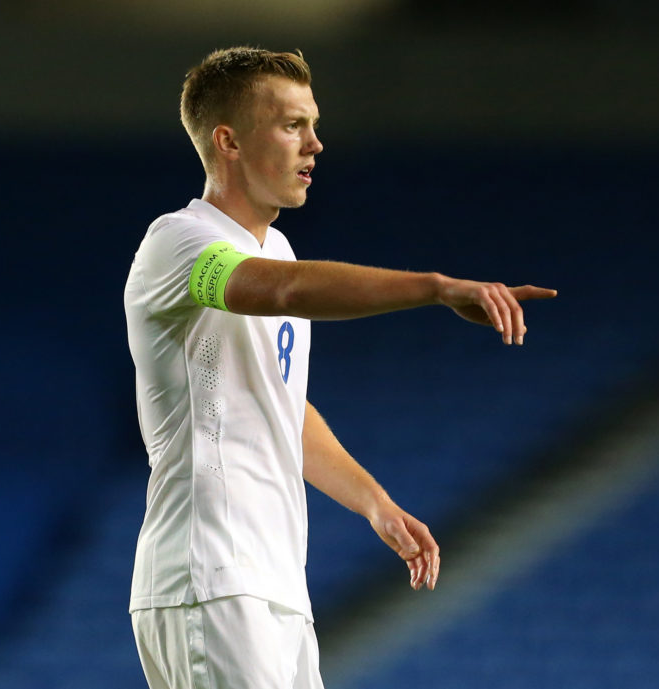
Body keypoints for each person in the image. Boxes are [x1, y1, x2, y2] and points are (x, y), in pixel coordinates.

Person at [124, 46, 556, 689]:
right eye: (292, 125)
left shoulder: (276, 248)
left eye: (314, 124)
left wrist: (373, 503)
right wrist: (436, 287)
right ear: (228, 141)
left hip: (272, 581)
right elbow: (286, 291)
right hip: (210, 575)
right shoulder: (179, 242)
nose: (315, 145)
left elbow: (281, 406)